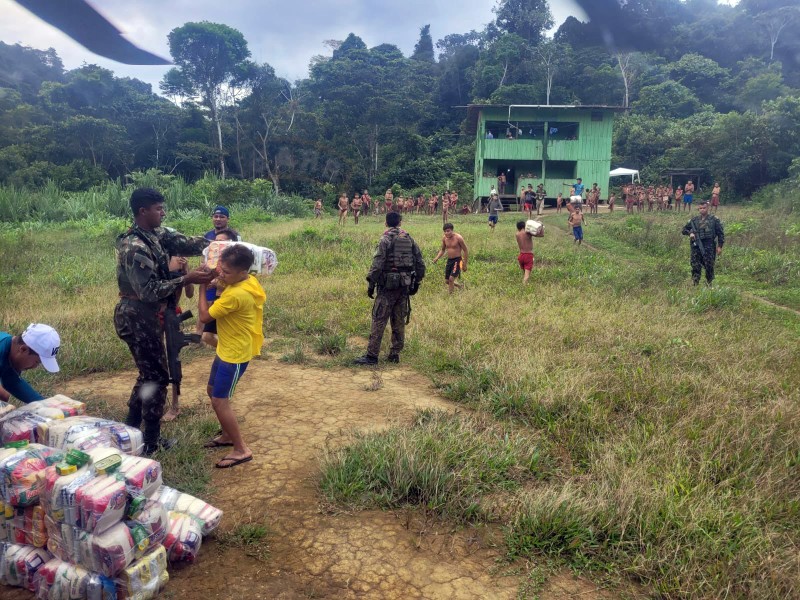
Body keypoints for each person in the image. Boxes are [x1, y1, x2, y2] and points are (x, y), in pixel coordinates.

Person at [115, 187, 214, 455]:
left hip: (149, 316)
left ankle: (130, 431)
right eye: (158, 208)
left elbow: (188, 243)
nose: (163, 212)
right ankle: (150, 442)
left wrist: (222, 247)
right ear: (142, 211)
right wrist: (186, 279)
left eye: (163, 207)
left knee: (149, 374)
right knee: (157, 378)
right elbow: (147, 291)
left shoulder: (158, 234)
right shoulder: (133, 246)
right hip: (137, 315)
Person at [196, 244, 264, 468]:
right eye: (220, 269)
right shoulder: (248, 281)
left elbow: (205, 316)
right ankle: (226, 435)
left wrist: (202, 287)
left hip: (234, 355)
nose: (221, 274)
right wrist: (219, 279)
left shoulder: (236, 294)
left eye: (226, 272)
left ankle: (241, 449)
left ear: (242, 272)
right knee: (211, 391)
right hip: (226, 348)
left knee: (219, 400)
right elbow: (224, 282)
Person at [354, 212, 425, 365]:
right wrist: (417, 282)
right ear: (400, 222)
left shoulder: (385, 239)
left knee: (379, 319)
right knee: (398, 320)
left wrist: (371, 283)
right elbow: (420, 263)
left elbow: (378, 263)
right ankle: (394, 354)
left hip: (387, 287)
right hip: (404, 285)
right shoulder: (409, 238)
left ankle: (372, 356)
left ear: (385, 223)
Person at [0, 323, 60, 404]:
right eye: (37, 362)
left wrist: (45, 405)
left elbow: (12, 382)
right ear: (23, 349)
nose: (35, 366)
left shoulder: (9, 352)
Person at [681, 201, 724, 286]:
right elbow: (684, 230)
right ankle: (695, 283)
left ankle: (709, 283)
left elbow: (720, 234)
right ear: (698, 209)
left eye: (704, 208)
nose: (702, 210)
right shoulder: (694, 220)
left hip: (709, 245)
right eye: (700, 208)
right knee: (695, 265)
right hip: (696, 246)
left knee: (709, 265)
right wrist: (690, 233)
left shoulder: (714, 220)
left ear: (707, 208)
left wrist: (719, 246)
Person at [433, 223, 469, 294]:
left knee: (451, 279)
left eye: (448, 231)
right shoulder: (444, 238)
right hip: (449, 260)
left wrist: (464, 263)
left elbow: (465, 250)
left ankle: (451, 296)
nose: (446, 233)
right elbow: (443, 250)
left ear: (452, 230)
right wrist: (436, 258)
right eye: (445, 231)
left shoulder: (458, 238)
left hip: (457, 260)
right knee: (447, 281)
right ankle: (460, 286)